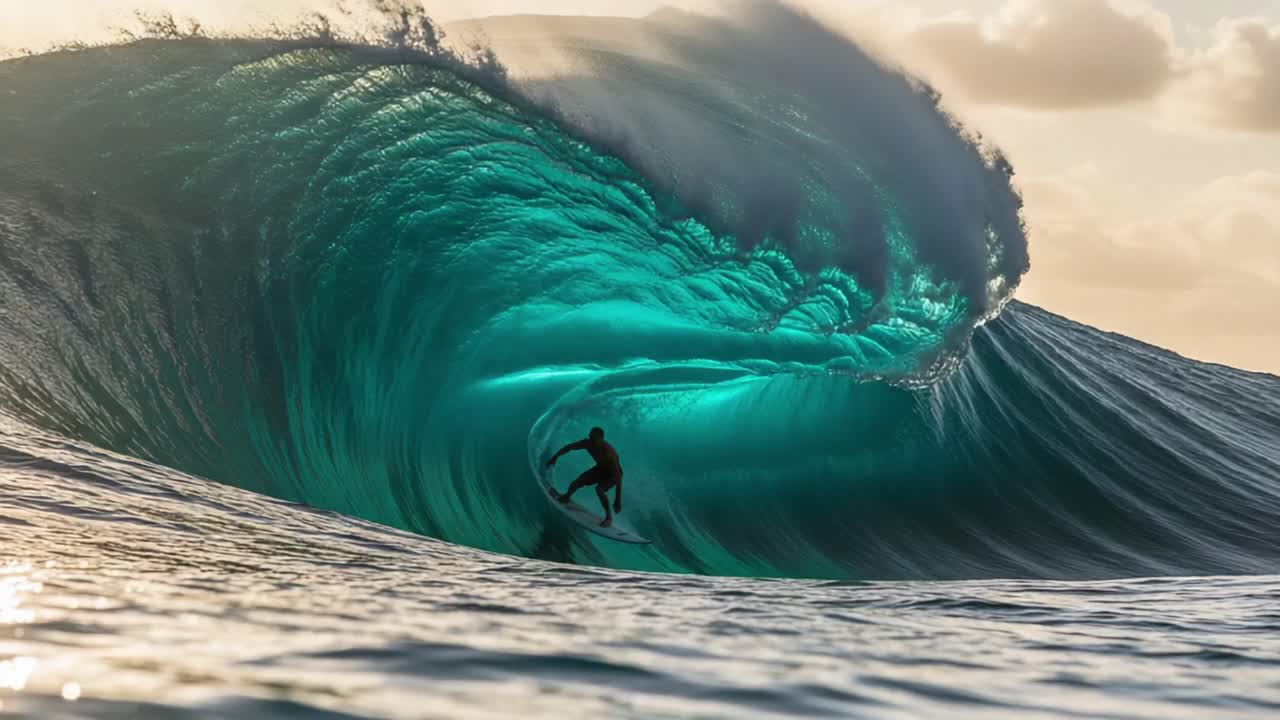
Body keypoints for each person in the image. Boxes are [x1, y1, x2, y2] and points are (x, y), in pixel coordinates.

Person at [546, 427, 623, 528]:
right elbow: (568, 447)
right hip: (600, 469)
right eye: (590, 437)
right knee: (576, 483)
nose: (592, 440)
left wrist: (617, 500)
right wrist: (555, 457)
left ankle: (609, 518)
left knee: (599, 490)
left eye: (594, 438)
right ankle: (566, 497)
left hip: (613, 475)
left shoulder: (609, 453)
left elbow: (618, 478)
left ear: (601, 439)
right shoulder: (587, 443)